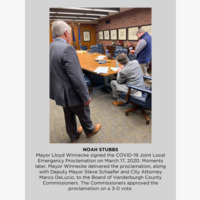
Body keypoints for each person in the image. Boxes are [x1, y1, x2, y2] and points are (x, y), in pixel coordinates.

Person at [50, 20, 101, 143]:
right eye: (71, 33)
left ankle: (73, 136)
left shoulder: (50, 47)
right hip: (72, 92)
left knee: (68, 115)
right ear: (66, 33)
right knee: (83, 112)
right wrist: (85, 96)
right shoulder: (67, 48)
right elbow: (77, 77)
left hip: (59, 91)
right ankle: (89, 130)